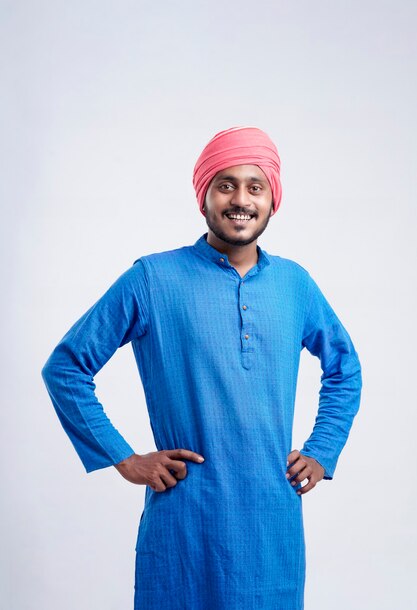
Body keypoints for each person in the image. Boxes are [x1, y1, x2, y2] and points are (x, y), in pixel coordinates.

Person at [41, 126, 362, 610]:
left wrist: (322, 450)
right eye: (225, 184)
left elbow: (344, 369)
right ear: (204, 196)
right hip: (183, 526)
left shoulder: (295, 285)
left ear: (273, 200)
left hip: (271, 526)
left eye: (256, 187)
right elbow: (66, 367)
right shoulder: (153, 278)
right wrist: (124, 457)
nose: (240, 199)